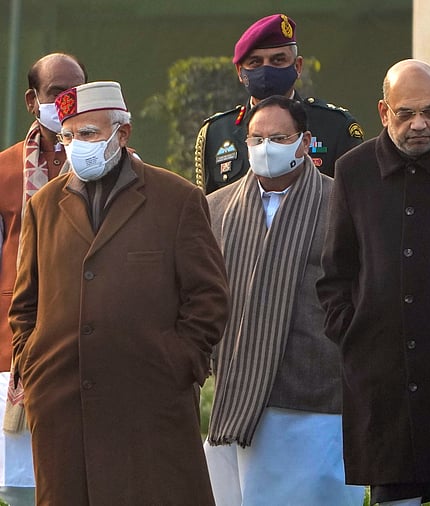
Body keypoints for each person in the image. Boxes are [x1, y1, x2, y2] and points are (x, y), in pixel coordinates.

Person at [8, 81, 229, 505]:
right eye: (68, 136)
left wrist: (180, 362)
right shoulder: (44, 205)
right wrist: (31, 360)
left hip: (149, 402)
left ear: (122, 134)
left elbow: (208, 297)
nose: (76, 146)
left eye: (88, 134)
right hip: (62, 405)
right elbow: (26, 303)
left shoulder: (176, 199)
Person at [317, 59, 430, 506]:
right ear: (383, 112)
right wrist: (356, 335)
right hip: (384, 388)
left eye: (429, 112)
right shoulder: (354, 170)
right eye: (405, 113)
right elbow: (335, 274)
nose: (419, 124)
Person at [203, 95, 364, 505]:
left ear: (305, 141)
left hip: (314, 399)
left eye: (279, 137)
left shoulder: (341, 204)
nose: (266, 148)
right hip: (237, 399)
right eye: (256, 139)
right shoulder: (215, 209)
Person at [0, 52, 86, 506]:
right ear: (34, 101)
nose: (67, 99)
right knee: (19, 486)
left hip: (90, 338)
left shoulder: (114, 164)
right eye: (56, 92)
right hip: (16, 347)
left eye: (76, 89)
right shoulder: (4, 170)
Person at [195, 13, 363, 192]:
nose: (266, 69)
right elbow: (208, 209)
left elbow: (355, 204)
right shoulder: (217, 133)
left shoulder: (335, 127)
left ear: (297, 66)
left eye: (278, 60)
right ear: (240, 71)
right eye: (255, 62)